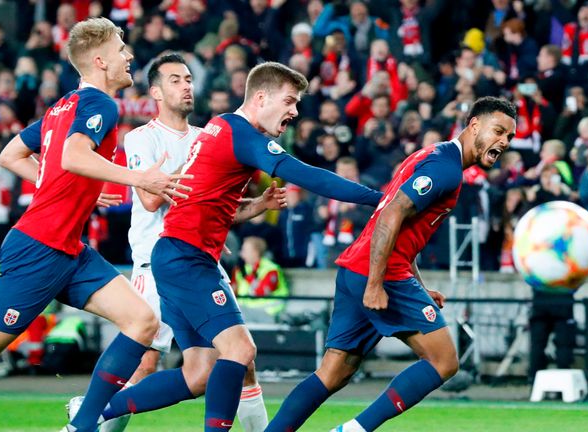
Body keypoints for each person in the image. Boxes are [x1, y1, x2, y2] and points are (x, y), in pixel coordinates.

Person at [0, 17, 191, 432]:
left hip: (70, 250)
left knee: (141, 321)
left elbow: (11, 154)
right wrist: (138, 178)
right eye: (122, 49)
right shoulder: (100, 104)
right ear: (100, 61)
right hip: (39, 248)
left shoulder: (62, 105)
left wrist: (77, 187)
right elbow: (71, 156)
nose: (129, 55)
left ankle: (83, 424)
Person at [98, 61, 382, 431]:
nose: (294, 112)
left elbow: (207, 205)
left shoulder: (217, 128)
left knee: (199, 373)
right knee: (239, 351)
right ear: (261, 97)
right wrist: (382, 197)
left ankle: (93, 411)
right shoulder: (240, 133)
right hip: (185, 259)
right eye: (290, 101)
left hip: (182, 254)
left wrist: (253, 208)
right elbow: (305, 175)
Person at [265, 96, 517, 432]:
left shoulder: (431, 155)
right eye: (499, 131)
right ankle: (352, 431)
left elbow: (404, 232)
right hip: (380, 274)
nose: (504, 141)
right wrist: (376, 284)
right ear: (474, 125)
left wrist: (420, 286)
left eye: (510, 137)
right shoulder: (446, 169)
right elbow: (390, 214)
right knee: (444, 361)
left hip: (358, 267)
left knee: (333, 372)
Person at [67, 53, 274, 432]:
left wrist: (256, 205)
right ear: (157, 92)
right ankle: (89, 419)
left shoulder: (205, 138)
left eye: (189, 79)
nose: (187, 86)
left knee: (240, 360)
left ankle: (88, 414)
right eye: (177, 80)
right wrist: (193, 167)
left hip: (201, 262)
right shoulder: (142, 138)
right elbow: (148, 198)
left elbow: (219, 207)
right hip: (154, 262)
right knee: (145, 363)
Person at [233, 236, 289, 321]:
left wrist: (247, 277)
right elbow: (233, 291)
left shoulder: (271, 269)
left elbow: (262, 292)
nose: (241, 254)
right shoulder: (243, 269)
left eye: (245, 251)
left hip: (268, 312)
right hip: (247, 312)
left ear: (255, 252)